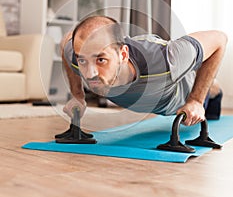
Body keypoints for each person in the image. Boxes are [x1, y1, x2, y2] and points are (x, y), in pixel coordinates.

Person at [56, 15, 227, 141]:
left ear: (123, 55)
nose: (90, 73)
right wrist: (77, 95)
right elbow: (66, 41)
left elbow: (220, 39)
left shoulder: (169, 58)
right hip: (146, 81)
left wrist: (196, 100)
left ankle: (214, 89)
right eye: (83, 60)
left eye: (101, 60)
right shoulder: (79, 55)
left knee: (208, 88)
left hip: (180, 93)